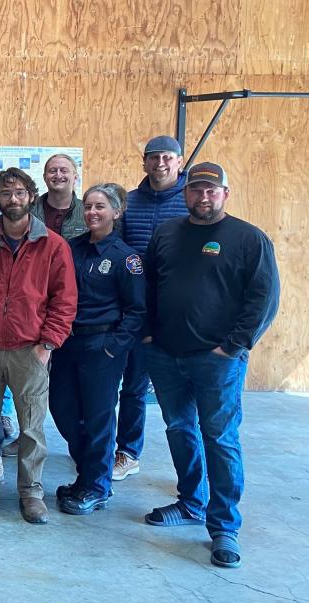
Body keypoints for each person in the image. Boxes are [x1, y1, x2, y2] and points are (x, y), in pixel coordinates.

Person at [142, 162, 279, 569]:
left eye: (211, 191)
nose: (203, 197)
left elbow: (264, 299)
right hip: (166, 355)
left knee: (219, 437)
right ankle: (191, 502)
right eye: (196, 190)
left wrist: (232, 347)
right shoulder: (167, 234)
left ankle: (224, 527)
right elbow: (148, 286)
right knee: (179, 428)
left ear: (225, 194)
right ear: (186, 193)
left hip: (216, 361)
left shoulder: (248, 239)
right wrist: (149, 335)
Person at [0, 167, 77, 524]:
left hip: (30, 350)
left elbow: (64, 301)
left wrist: (48, 344)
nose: (13, 200)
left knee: (32, 427)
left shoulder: (53, 245)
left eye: (20, 192)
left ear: (31, 197)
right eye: (6, 194)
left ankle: (31, 492)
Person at [48, 183, 145, 515]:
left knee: (98, 418)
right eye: (88, 206)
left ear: (116, 213)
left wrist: (113, 348)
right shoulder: (71, 248)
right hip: (67, 342)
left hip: (102, 346)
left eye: (100, 207)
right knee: (62, 408)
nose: (92, 212)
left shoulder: (126, 258)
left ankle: (97, 486)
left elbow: (137, 311)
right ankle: (85, 475)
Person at [113, 135, 190, 482]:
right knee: (133, 385)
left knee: (186, 395)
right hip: (138, 309)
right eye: (153, 157)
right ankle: (128, 452)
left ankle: (193, 473)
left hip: (180, 313)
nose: (160, 163)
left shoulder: (193, 201)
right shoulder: (129, 202)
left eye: (167, 157)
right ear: (143, 162)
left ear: (179, 161)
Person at [29, 154, 86, 239]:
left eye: (64, 171)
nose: (58, 175)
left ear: (75, 178)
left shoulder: (86, 211)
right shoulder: (29, 210)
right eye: (52, 171)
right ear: (44, 177)